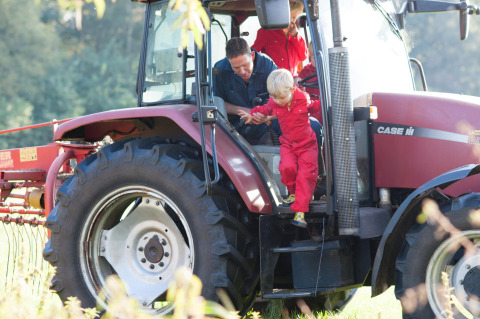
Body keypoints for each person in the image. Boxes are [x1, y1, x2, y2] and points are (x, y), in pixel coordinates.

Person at [238, 69, 320, 228]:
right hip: (288, 144)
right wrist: (252, 114)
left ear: (292, 90)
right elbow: (264, 109)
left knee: (305, 176)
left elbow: (316, 106)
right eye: (274, 97)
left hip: (307, 144)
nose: (279, 101)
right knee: (286, 168)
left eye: (282, 97)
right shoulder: (275, 101)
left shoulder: (303, 99)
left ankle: (300, 211)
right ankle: (294, 193)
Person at [212, 37, 281, 145]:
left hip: (268, 117)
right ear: (229, 62)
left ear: (252, 56)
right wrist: (244, 111)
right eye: (236, 67)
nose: (242, 71)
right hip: (237, 123)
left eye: (245, 65)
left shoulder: (267, 64)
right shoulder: (220, 69)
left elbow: (282, 99)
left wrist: (267, 115)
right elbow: (217, 103)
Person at [251, 1, 308, 76]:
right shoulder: (265, 32)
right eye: (291, 17)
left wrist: (295, 36)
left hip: (292, 80)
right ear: (281, 14)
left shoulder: (297, 34)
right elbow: (252, 54)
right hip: (273, 80)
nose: (293, 21)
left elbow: (303, 56)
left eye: (295, 17)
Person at [295, 42, 322, 123]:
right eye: (314, 57)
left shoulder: (329, 69)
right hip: (313, 107)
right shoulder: (306, 70)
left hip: (325, 105)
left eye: (319, 57)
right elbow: (298, 80)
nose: (317, 61)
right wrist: (297, 80)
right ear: (310, 56)